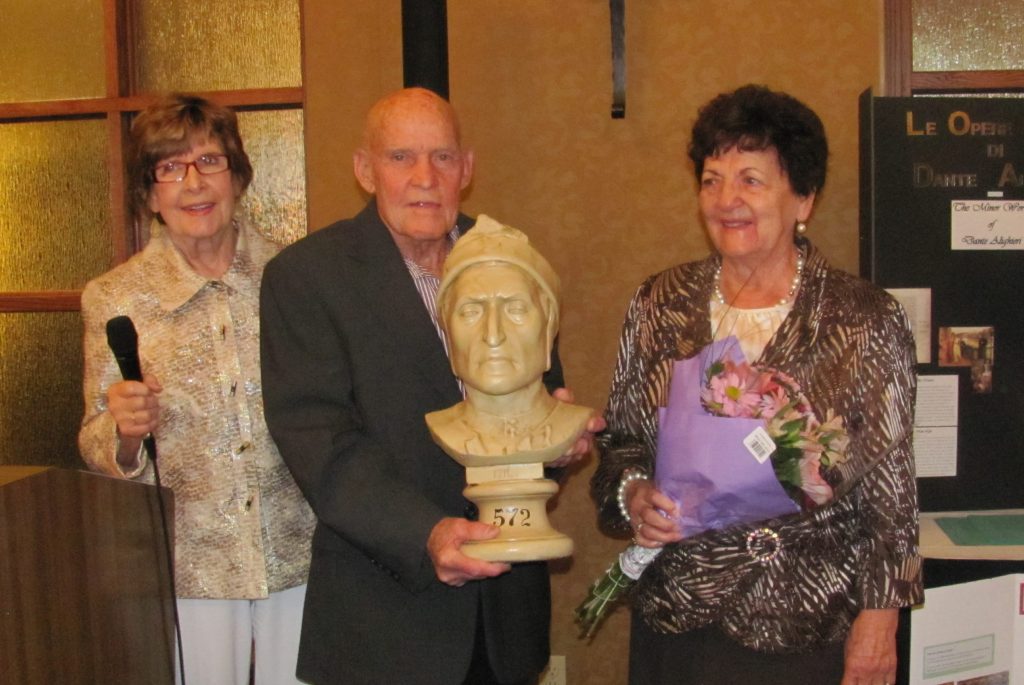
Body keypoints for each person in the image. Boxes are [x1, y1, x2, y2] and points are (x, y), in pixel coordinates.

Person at [260, 87, 600, 685]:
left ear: (466, 168)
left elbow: (544, 395)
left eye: (442, 157)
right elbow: (321, 446)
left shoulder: (509, 260)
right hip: (385, 625)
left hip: (506, 623)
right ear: (365, 170)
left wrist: (558, 450)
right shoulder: (308, 278)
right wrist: (426, 534)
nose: (425, 177)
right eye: (400, 157)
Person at [591, 84, 922, 685]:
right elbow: (623, 444)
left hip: (805, 622)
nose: (727, 200)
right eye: (712, 180)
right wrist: (634, 494)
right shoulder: (660, 303)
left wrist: (880, 620)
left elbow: (890, 494)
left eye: (751, 180)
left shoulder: (864, 319)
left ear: (804, 198)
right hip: (680, 615)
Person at [79, 93, 315, 685]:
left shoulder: (296, 278)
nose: (193, 183)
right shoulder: (115, 297)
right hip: (190, 565)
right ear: (149, 193)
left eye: (210, 160)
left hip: (301, 549)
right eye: (170, 167)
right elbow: (95, 437)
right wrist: (124, 430)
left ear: (238, 176)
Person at [427, 215, 593, 462]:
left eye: (516, 309)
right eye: (471, 312)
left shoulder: (571, 422)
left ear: (548, 325)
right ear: (448, 332)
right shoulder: (442, 426)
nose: (493, 335)